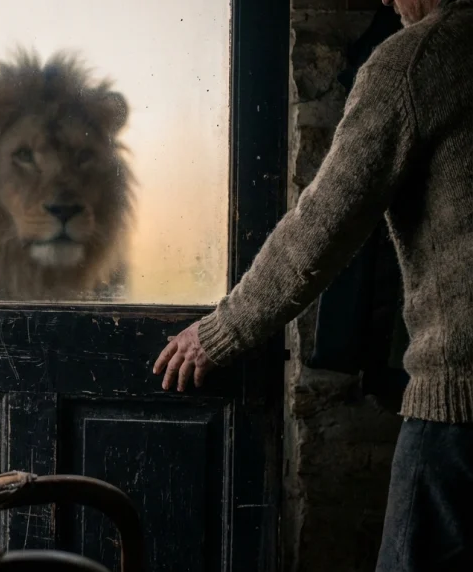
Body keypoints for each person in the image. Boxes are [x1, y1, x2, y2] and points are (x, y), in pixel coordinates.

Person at [152, 0, 473, 570]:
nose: (387, 3)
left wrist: (221, 330)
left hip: (460, 409)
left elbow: (325, 221)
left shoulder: (420, 58)